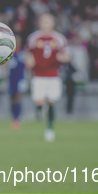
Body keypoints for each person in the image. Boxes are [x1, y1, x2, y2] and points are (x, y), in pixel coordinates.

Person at [25, 14, 70, 142]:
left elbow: (67, 55)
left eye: (48, 22)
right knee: (39, 101)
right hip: (38, 75)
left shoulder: (59, 39)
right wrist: (29, 61)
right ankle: (40, 111)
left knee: (52, 101)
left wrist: (64, 58)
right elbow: (28, 53)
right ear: (40, 24)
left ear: (52, 24)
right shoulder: (34, 38)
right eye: (44, 22)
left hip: (53, 75)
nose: (46, 25)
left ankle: (50, 128)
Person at [8, 35, 26, 129]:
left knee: (18, 97)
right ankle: (13, 117)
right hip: (12, 78)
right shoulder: (9, 53)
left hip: (21, 79)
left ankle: (17, 118)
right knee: (12, 98)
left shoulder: (23, 53)